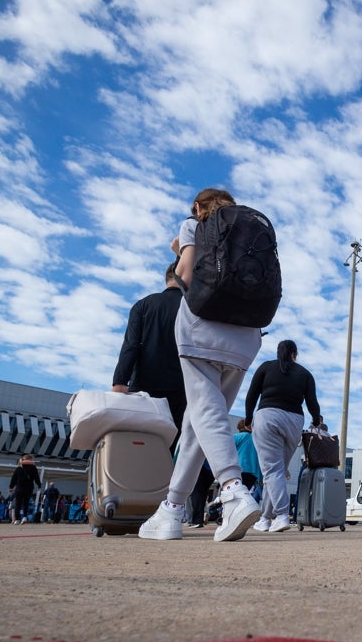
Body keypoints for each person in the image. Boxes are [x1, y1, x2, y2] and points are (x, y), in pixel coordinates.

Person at [137, 188, 263, 543]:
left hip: (203, 331)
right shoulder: (246, 233)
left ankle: (233, 490)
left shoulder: (195, 224)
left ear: (198, 206)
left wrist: (179, 253)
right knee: (198, 420)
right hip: (245, 338)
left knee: (206, 413)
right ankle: (172, 509)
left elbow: (187, 275)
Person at [242, 340, 322, 533]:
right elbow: (313, 403)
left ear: (279, 353)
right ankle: (264, 518)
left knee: (272, 471)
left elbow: (251, 395)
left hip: (268, 416)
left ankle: (281, 515)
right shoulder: (305, 374)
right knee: (277, 472)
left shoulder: (266, 367)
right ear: (295, 354)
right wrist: (317, 420)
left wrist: (248, 418)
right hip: (294, 422)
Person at [112, 261, 187, 446]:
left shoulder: (143, 305)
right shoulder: (192, 308)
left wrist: (120, 381)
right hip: (182, 388)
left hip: (144, 386)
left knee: (138, 442)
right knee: (170, 445)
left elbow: (131, 345)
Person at [9, 454, 41, 526]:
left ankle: (17, 520)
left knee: (18, 504)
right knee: (26, 503)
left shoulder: (19, 468)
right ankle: (24, 517)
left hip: (19, 488)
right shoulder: (33, 468)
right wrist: (39, 485)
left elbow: (14, 478)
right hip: (28, 488)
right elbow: (36, 477)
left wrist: (11, 487)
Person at [234, 419, 263, 501]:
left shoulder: (238, 437)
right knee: (243, 497)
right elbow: (261, 459)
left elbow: (225, 447)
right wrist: (261, 477)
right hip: (253, 474)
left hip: (238, 470)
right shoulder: (258, 441)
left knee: (233, 496)